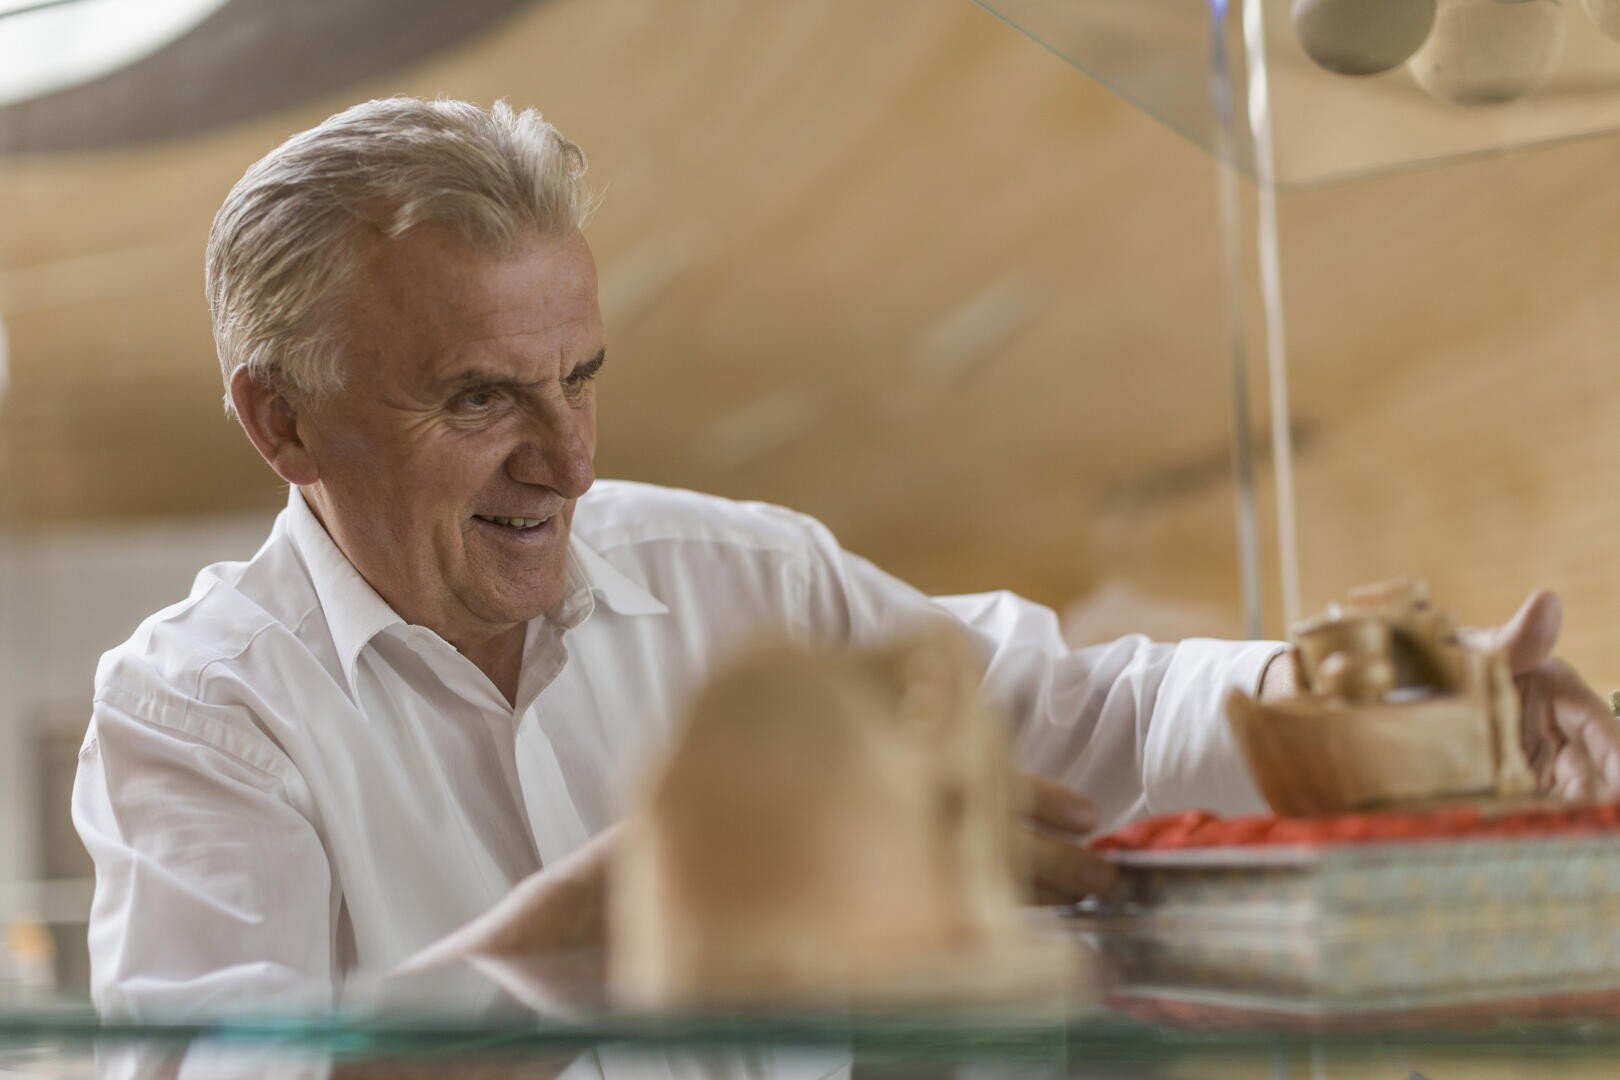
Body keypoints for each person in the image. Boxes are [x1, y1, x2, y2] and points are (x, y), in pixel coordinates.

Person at [72, 97, 1620, 1022]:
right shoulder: (197, 712)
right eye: (480, 398)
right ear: (281, 421)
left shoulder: (752, 575)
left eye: (583, 377)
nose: (568, 458)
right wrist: (592, 928)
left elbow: (1094, 718)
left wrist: (1359, 691)